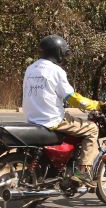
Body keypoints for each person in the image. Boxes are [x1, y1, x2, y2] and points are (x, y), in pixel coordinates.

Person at [22, 34, 101, 184]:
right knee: (92, 129)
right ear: (57, 52)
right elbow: (72, 98)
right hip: (52, 120)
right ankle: (82, 172)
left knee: (69, 115)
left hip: (32, 118)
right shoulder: (56, 71)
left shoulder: (30, 68)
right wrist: (95, 104)